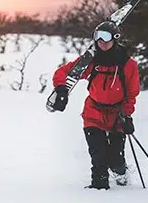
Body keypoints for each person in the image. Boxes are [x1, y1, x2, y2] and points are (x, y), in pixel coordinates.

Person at [52, 21, 140, 190]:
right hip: (93, 112)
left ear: (115, 38)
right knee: (98, 154)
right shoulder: (91, 61)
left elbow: (131, 93)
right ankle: (99, 186)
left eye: (105, 37)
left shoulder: (128, 65)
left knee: (115, 159)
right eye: (97, 37)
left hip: (117, 114)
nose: (101, 41)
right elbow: (62, 72)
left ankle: (121, 173)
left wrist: (127, 115)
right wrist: (61, 88)